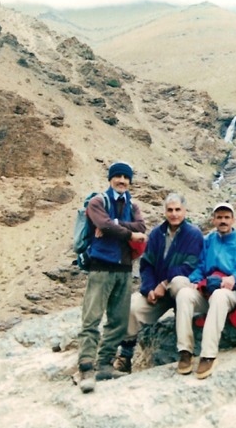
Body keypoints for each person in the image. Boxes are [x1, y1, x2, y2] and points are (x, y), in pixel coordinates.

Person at [76, 161, 147, 394]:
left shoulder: (132, 205)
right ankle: (86, 368)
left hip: (124, 270)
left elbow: (140, 226)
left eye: (126, 178)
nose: (122, 181)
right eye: (117, 177)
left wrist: (115, 225)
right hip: (101, 268)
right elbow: (102, 223)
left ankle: (104, 364)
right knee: (92, 319)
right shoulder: (98, 202)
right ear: (110, 179)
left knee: (117, 321)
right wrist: (125, 231)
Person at [112, 193, 204, 374]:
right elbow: (146, 265)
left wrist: (164, 283)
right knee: (132, 307)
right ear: (165, 212)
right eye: (170, 210)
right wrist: (149, 289)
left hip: (180, 286)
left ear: (184, 211)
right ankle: (125, 356)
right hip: (159, 291)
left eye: (178, 209)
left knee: (178, 282)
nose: (174, 214)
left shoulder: (194, 234)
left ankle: (186, 349)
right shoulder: (156, 234)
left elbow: (190, 266)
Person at [174, 202, 236, 379]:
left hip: (229, 292)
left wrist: (234, 278)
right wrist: (195, 280)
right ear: (213, 220)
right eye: (219, 217)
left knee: (220, 296)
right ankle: (185, 351)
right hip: (207, 289)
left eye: (226, 217)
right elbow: (200, 266)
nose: (223, 221)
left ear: (233, 220)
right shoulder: (207, 242)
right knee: (183, 294)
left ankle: (208, 354)